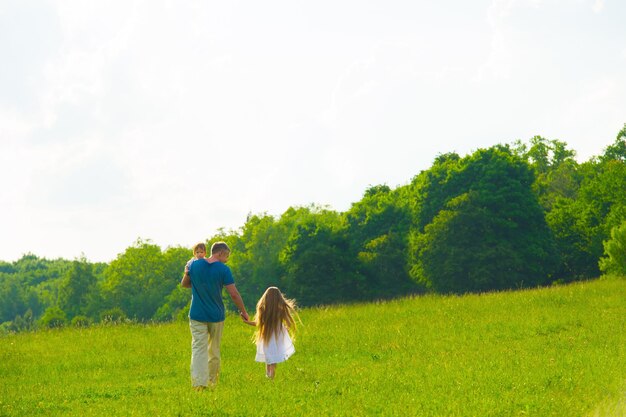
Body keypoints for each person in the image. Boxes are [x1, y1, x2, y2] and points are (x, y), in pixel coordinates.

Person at [181, 241, 250, 390]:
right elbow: (233, 293)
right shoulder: (223, 269)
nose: (227, 260)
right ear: (220, 253)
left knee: (199, 348)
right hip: (216, 315)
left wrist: (195, 278)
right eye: (226, 256)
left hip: (196, 314)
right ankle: (212, 383)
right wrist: (244, 311)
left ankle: (199, 384)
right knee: (214, 350)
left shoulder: (194, 265)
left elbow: (184, 284)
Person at [242, 286, 298, 379]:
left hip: (266, 336)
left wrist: (247, 322)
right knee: (273, 358)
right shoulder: (281, 309)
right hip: (277, 336)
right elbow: (288, 323)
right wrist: (284, 331)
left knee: (268, 358)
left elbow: (259, 324)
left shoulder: (264, 309)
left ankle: (269, 376)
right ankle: (270, 377)